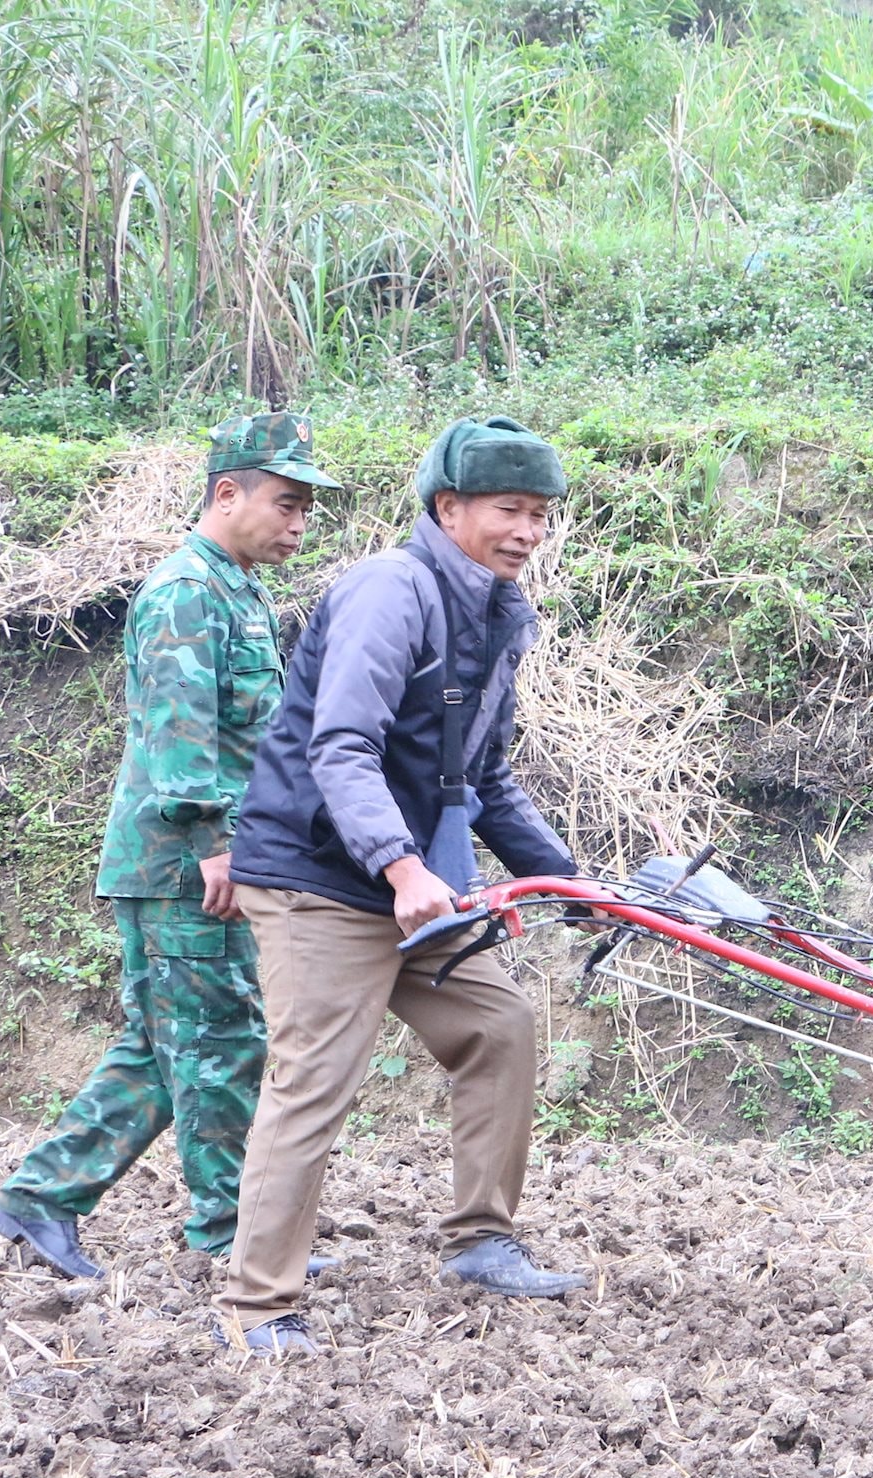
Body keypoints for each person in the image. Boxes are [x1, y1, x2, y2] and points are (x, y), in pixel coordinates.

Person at [216, 415, 588, 1358]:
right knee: (315, 1078)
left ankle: (480, 1241)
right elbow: (339, 746)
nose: (527, 533)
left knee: (497, 1026)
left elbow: (485, 778)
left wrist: (575, 882)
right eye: (510, 510)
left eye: (541, 515)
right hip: (319, 877)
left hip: (410, 881)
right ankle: (260, 1307)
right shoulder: (392, 591)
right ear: (448, 507)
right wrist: (402, 864)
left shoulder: (499, 615)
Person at [0, 413, 340, 1279]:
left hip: (192, 857)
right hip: (187, 863)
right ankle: (228, 1235)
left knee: (165, 1043)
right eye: (287, 505)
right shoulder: (187, 591)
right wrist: (220, 849)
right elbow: (184, 745)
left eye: (306, 511)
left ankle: (38, 1198)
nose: (299, 525)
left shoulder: (237, 588)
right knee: (220, 1042)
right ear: (229, 493)